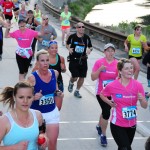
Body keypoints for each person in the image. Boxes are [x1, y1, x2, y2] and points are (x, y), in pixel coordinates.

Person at [100, 58, 148, 150]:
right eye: (127, 68)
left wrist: (142, 100)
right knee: (126, 148)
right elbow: (102, 94)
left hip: (132, 124)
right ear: (120, 71)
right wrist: (109, 102)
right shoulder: (113, 85)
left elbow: (145, 106)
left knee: (123, 147)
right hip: (117, 124)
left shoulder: (138, 85)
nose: (130, 70)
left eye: (131, 68)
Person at [28, 50, 63, 150]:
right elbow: (23, 97)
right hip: (37, 115)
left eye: (47, 60)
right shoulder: (32, 78)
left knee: (52, 143)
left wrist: (58, 93)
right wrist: (34, 97)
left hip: (52, 113)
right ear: (38, 62)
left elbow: (56, 89)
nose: (45, 63)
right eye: (42, 60)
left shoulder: (54, 73)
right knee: (40, 145)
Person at [0, 81, 47, 149]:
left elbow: (42, 133)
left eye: (29, 97)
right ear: (14, 97)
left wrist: (44, 139)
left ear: (33, 98)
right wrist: (14, 147)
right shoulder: (4, 121)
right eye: (21, 97)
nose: (25, 101)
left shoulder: (38, 115)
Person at [91, 43, 118, 147]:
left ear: (114, 52)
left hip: (113, 92)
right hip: (101, 92)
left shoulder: (118, 63)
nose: (110, 53)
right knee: (107, 112)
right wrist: (99, 70)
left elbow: (121, 78)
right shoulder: (99, 62)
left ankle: (99, 125)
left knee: (105, 110)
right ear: (104, 52)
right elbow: (93, 77)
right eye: (108, 50)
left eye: (112, 51)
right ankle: (103, 135)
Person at [32, 41, 66, 110]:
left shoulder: (61, 58)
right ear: (48, 49)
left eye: (56, 48)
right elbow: (34, 74)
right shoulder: (42, 58)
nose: (54, 49)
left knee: (56, 107)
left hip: (58, 83)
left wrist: (63, 68)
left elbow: (64, 70)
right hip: (44, 84)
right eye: (52, 48)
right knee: (44, 105)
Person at [66, 22, 93, 98]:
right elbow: (67, 43)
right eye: (79, 27)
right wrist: (69, 48)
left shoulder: (86, 38)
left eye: (83, 27)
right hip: (73, 60)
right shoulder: (72, 37)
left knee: (82, 76)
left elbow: (91, 47)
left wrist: (89, 50)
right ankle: (71, 82)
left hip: (83, 60)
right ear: (77, 28)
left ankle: (77, 91)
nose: (81, 28)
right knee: (75, 77)